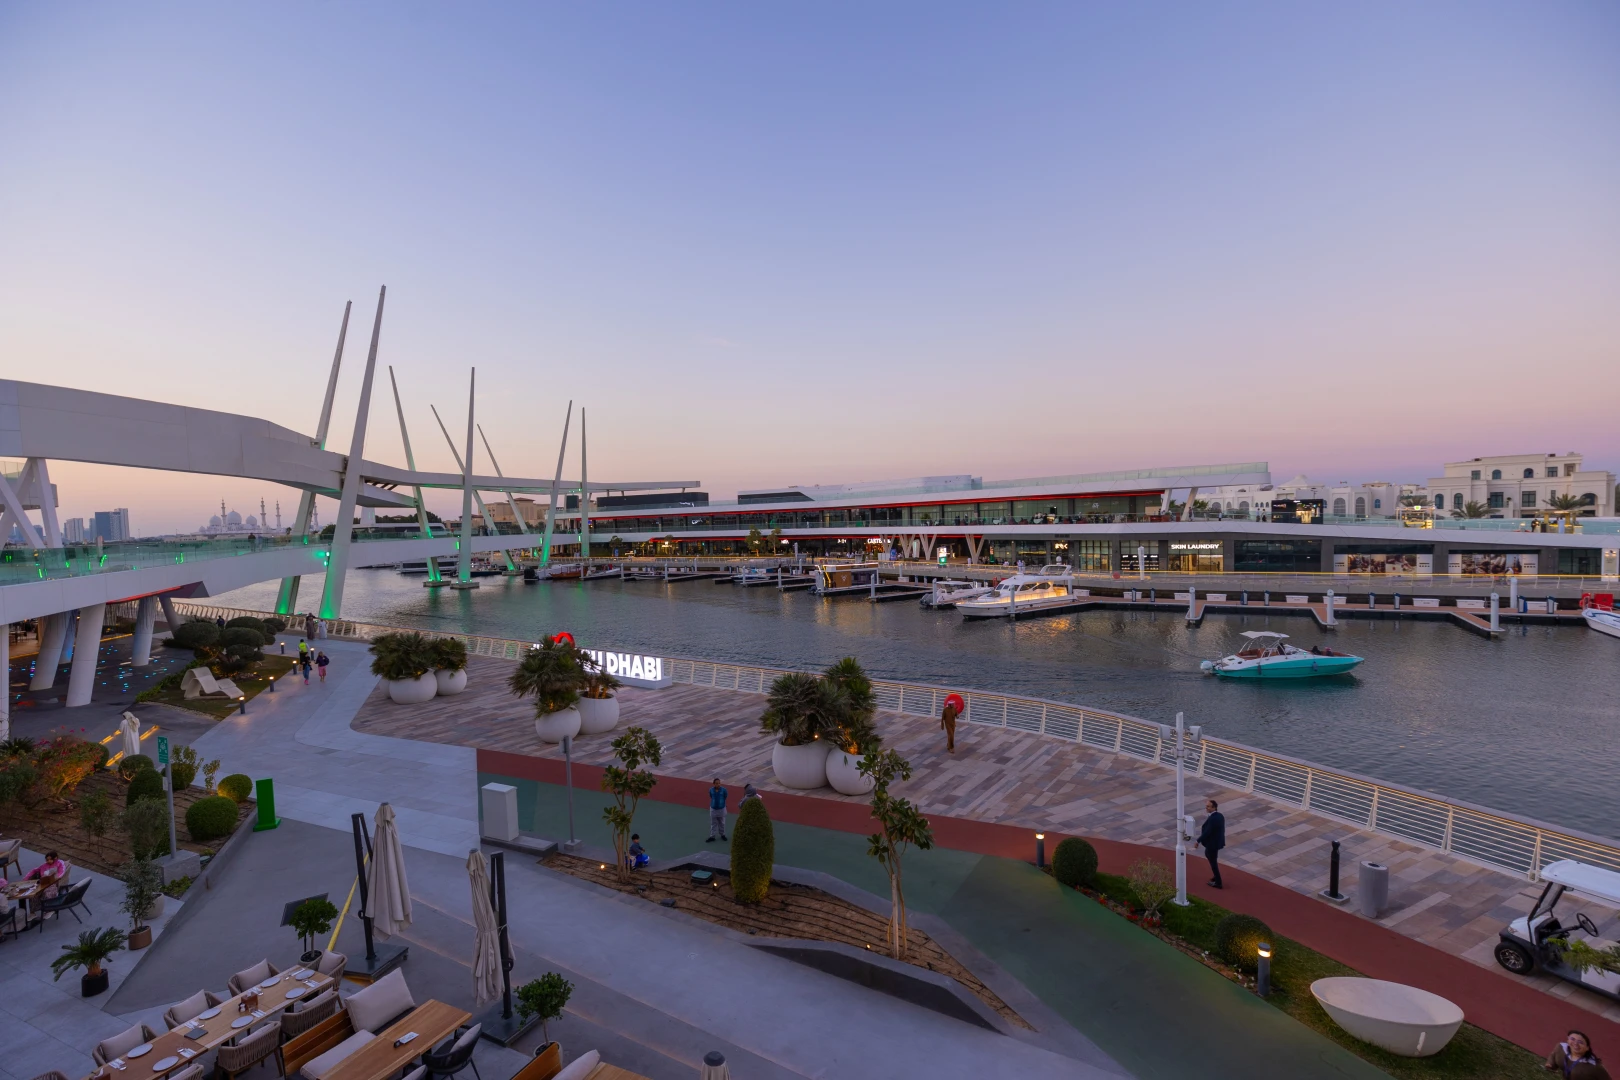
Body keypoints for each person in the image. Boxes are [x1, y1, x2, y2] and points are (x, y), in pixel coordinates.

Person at [1196, 799, 1225, 889]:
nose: (1206, 808)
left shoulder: (1213, 819)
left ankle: (1218, 882)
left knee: (1213, 862)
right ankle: (1216, 877)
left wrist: (1198, 841)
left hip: (1212, 844)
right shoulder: (1220, 816)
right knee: (1210, 856)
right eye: (1206, 806)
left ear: (1214, 807)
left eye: (1208, 806)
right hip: (1216, 842)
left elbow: (1207, 832)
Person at [706, 779, 728, 843]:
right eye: (716, 783)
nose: (718, 784)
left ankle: (722, 835)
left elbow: (725, 796)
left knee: (722, 823)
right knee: (713, 823)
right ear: (714, 784)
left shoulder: (724, 790)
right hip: (713, 810)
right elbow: (711, 796)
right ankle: (712, 836)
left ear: (720, 783)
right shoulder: (711, 790)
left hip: (721, 809)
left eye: (719, 783)